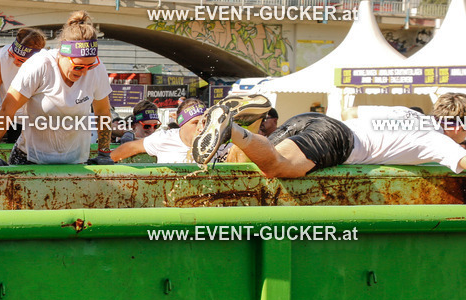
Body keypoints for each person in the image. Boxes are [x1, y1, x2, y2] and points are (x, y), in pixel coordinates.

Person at [192, 93, 466, 175]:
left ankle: (247, 126)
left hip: (317, 121)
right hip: (337, 140)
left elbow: (350, 112)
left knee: (246, 168)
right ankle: (235, 128)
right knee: (276, 167)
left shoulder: (410, 114)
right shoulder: (436, 139)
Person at [0, 11, 113, 166]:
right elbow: (7, 110)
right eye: (78, 66)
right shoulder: (39, 65)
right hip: (30, 159)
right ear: (62, 54)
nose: (84, 72)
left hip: (75, 161)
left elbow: (103, 113)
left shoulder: (97, 69)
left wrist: (104, 152)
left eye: (89, 65)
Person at [0, 27, 46, 149]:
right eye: (13, 55)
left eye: (21, 60)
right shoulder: (1, 57)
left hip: (24, 116)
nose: (15, 61)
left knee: (18, 152)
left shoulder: (44, 64)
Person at [110, 98, 207, 164]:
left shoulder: (215, 141)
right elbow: (131, 147)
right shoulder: (162, 139)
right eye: (147, 126)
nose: (152, 130)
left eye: (156, 126)